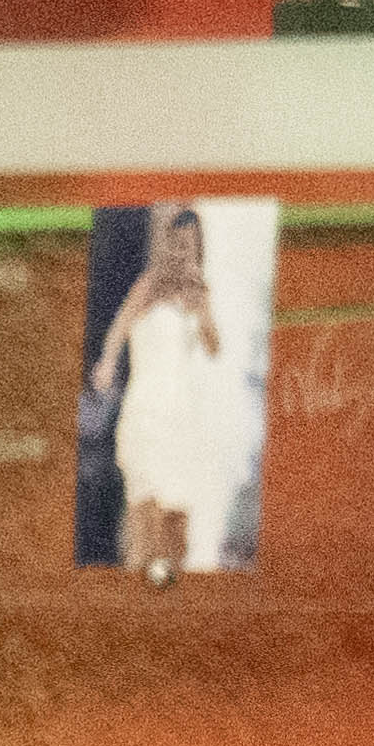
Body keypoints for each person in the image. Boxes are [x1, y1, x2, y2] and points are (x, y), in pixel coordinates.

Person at [90, 202, 240, 583]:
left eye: (190, 245)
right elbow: (119, 328)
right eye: (177, 243)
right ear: (168, 243)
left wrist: (202, 307)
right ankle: (137, 581)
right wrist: (107, 363)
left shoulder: (198, 293)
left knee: (176, 509)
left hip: (181, 413)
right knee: (145, 502)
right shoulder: (150, 285)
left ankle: (171, 591)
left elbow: (214, 347)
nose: (182, 251)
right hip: (146, 409)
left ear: (197, 248)